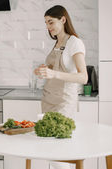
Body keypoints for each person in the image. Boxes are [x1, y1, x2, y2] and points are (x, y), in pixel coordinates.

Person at [34, 5, 88, 169]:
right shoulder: (58, 42)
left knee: (59, 154)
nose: (48, 27)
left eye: (51, 22)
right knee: (50, 151)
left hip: (64, 103)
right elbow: (53, 70)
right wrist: (42, 71)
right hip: (48, 100)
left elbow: (83, 77)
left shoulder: (74, 42)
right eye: (46, 23)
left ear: (63, 20)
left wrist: (54, 74)